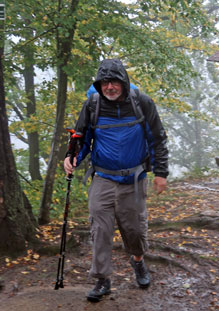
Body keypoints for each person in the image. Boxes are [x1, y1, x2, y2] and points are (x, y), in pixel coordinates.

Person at [64, 59, 168, 302]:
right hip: (102, 178)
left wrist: (161, 173)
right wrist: (72, 157)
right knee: (100, 228)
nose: (109, 87)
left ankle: (138, 261)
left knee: (134, 229)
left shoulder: (141, 103)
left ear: (123, 82)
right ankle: (102, 280)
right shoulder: (92, 105)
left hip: (134, 179)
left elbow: (158, 139)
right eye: (104, 82)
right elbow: (81, 137)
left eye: (114, 82)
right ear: (99, 85)